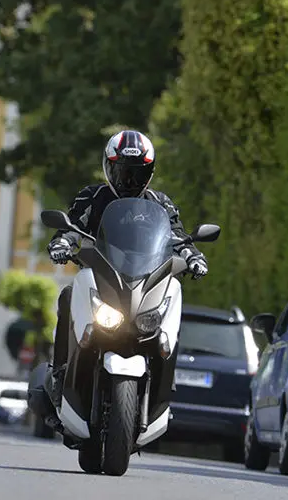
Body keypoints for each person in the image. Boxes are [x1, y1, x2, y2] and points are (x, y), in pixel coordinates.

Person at [45, 130, 208, 406]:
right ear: (109, 167)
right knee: (68, 295)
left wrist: (194, 256)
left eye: (138, 173)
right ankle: (60, 370)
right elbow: (71, 226)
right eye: (123, 172)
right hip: (102, 277)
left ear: (150, 173)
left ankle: (165, 383)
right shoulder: (92, 197)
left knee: (173, 298)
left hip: (146, 280)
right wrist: (62, 241)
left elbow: (178, 236)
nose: (129, 180)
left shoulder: (160, 204)